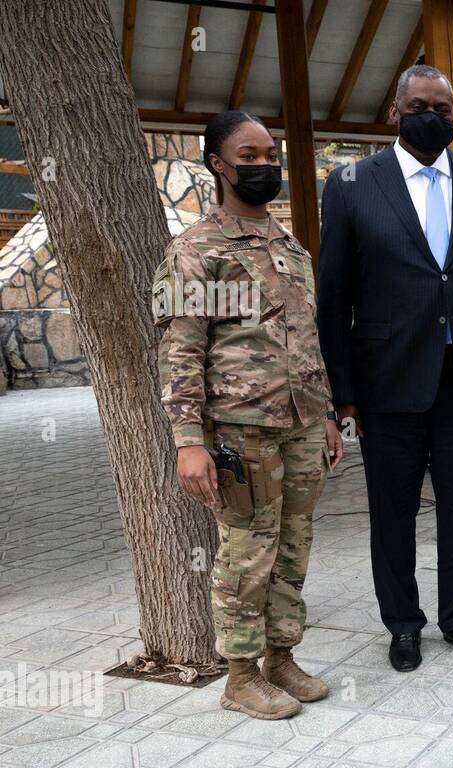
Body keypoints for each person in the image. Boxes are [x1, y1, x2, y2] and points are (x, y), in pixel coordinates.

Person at [316, 65, 453, 672]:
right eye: (419, 105)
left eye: (443, 108)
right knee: (393, 512)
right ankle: (403, 624)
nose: (431, 116)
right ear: (394, 110)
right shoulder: (353, 183)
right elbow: (334, 298)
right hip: (387, 382)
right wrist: (343, 394)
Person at [154, 110, 344, 720]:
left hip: (302, 426)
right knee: (245, 552)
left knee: (293, 546)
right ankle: (239, 675)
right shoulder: (195, 250)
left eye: (270, 155)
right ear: (218, 163)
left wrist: (329, 416)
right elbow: (180, 348)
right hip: (241, 431)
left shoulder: (290, 247)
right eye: (249, 156)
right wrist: (188, 440)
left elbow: (308, 339)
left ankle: (280, 658)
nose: (264, 166)